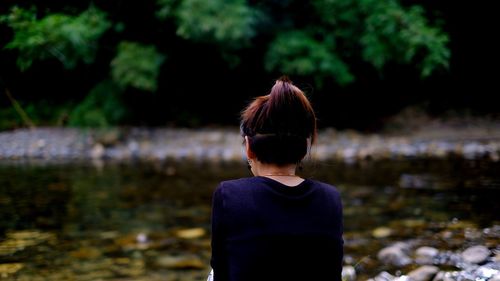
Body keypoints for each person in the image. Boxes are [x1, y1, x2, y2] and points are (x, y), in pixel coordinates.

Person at [209, 76, 344, 281]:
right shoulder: (330, 198)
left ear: (249, 147)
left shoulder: (229, 195)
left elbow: (221, 273)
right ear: (304, 148)